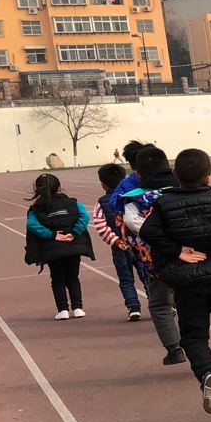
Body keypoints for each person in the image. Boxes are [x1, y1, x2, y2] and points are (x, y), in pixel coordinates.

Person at [138, 149, 211, 414]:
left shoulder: (163, 204)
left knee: (194, 335)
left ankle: (207, 374)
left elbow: (147, 230)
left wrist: (178, 251)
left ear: (175, 174)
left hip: (188, 282)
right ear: (209, 176)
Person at [119, 146, 186, 365]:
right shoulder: (185, 189)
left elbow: (132, 223)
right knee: (191, 301)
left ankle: (174, 349)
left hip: (157, 261)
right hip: (194, 256)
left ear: (138, 174)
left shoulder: (133, 199)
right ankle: (197, 344)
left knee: (160, 305)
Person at [24, 173, 94, 320]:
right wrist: (74, 233)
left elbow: (32, 224)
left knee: (57, 279)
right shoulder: (74, 203)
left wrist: (51, 235)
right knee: (73, 277)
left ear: (38, 190)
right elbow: (84, 217)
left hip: (53, 249)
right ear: (60, 187)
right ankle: (78, 308)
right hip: (73, 246)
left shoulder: (36, 209)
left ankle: (62, 310)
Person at [91, 163, 142, 321]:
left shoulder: (101, 202)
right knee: (147, 274)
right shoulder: (135, 196)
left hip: (120, 247)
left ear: (103, 184)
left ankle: (133, 307)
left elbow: (100, 225)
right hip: (139, 244)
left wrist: (115, 241)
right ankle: (158, 302)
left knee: (126, 279)